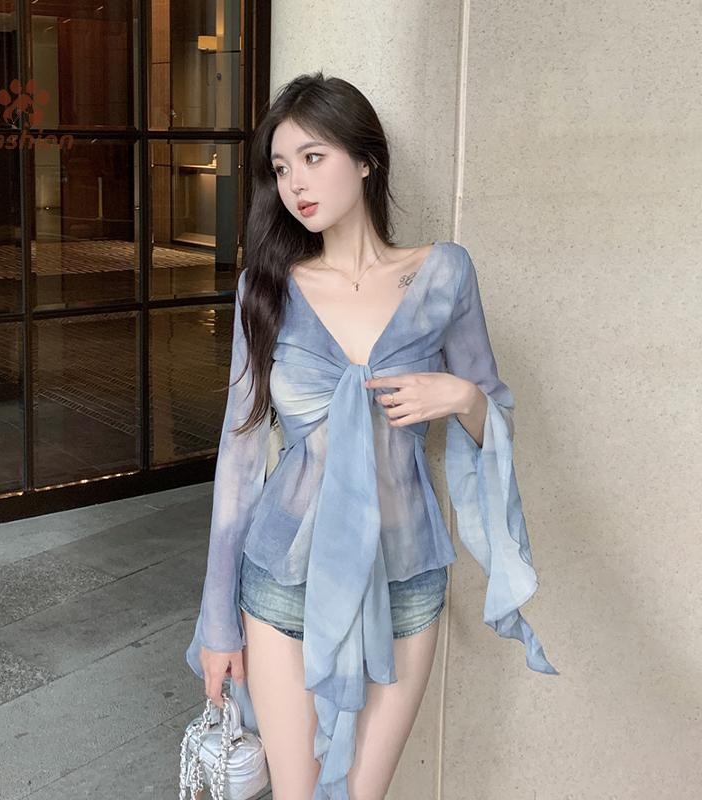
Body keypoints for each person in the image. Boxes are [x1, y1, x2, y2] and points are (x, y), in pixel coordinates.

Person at [185, 71, 558, 800]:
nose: (295, 183)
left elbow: (496, 419)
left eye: (312, 157)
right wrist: (216, 623)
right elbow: (238, 462)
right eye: (280, 168)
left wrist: (460, 396)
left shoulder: (443, 274)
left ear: (365, 160)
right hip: (283, 579)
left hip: (406, 576)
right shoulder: (267, 288)